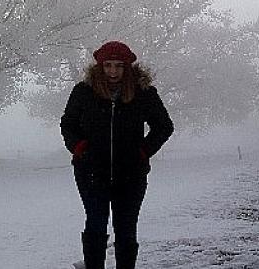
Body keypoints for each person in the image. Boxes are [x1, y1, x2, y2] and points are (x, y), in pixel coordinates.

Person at [61, 41, 174, 269]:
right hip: (91, 174)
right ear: (100, 66)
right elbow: (68, 124)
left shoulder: (144, 93)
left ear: (128, 67)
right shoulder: (84, 92)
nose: (113, 71)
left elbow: (164, 126)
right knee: (95, 225)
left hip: (131, 175)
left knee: (126, 228)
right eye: (108, 65)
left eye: (119, 66)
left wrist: (142, 152)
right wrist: (80, 148)